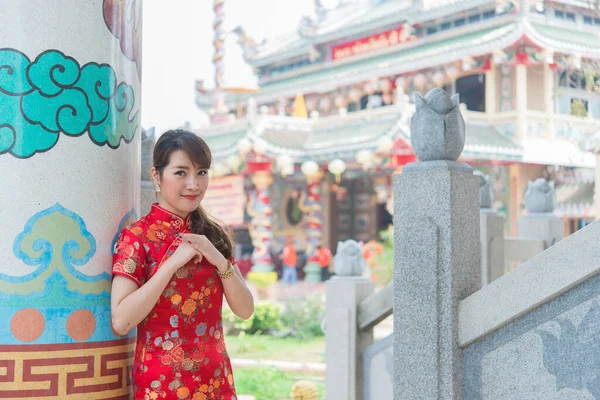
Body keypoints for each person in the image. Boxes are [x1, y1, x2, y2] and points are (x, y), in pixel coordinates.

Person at [111, 129, 254, 400]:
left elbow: (245, 310)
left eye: (202, 172)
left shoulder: (214, 236)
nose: (194, 184)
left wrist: (217, 257)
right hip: (161, 385)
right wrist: (171, 264)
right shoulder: (137, 237)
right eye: (181, 173)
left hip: (216, 381)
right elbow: (121, 321)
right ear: (157, 176)